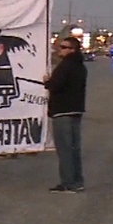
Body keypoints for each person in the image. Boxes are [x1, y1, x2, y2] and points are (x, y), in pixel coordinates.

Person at [44, 36, 87, 193]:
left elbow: (56, 85)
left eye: (63, 47)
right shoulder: (80, 66)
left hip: (63, 112)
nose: (59, 49)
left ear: (72, 50)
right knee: (74, 149)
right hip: (76, 110)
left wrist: (47, 82)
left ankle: (68, 183)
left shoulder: (66, 66)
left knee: (65, 150)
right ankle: (77, 181)